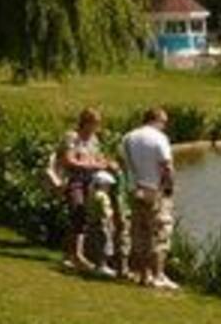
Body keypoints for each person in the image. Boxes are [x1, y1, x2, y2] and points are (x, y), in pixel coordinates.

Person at [48, 109, 120, 277]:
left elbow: (97, 157)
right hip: (74, 180)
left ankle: (71, 255)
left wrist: (107, 163)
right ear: (86, 123)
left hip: (90, 181)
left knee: (83, 216)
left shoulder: (93, 139)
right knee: (77, 212)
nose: (97, 127)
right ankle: (77, 256)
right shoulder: (72, 137)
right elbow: (68, 160)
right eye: (95, 123)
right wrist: (93, 165)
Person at [122, 107, 178, 290]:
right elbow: (167, 167)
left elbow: (123, 164)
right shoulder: (159, 138)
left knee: (140, 234)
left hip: (134, 190)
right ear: (157, 120)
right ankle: (158, 275)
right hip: (154, 191)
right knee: (160, 234)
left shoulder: (128, 137)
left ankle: (143, 275)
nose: (165, 126)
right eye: (164, 122)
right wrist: (169, 188)